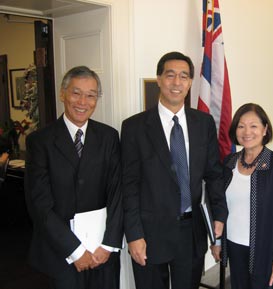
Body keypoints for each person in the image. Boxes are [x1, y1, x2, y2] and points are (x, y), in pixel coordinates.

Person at [121, 51, 228, 289]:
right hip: (149, 233)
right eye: (170, 75)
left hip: (191, 232)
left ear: (190, 82)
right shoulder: (134, 127)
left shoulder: (203, 123)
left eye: (183, 76)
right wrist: (134, 235)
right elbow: (128, 186)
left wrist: (219, 214)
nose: (176, 82)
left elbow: (213, 174)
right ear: (159, 79)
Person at [25, 66, 123, 289]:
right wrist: (75, 251)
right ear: (62, 93)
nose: (83, 102)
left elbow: (118, 193)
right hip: (61, 253)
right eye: (76, 93)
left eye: (91, 95)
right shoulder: (40, 142)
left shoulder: (109, 136)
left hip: (102, 253)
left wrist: (109, 244)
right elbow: (39, 204)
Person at [210, 103, 273, 289]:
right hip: (234, 244)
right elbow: (219, 206)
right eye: (241, 126)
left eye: (254, 126)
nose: (247, 132)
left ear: (265, 129)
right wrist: (217, 241)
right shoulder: (229, 163)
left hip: (265, 247)